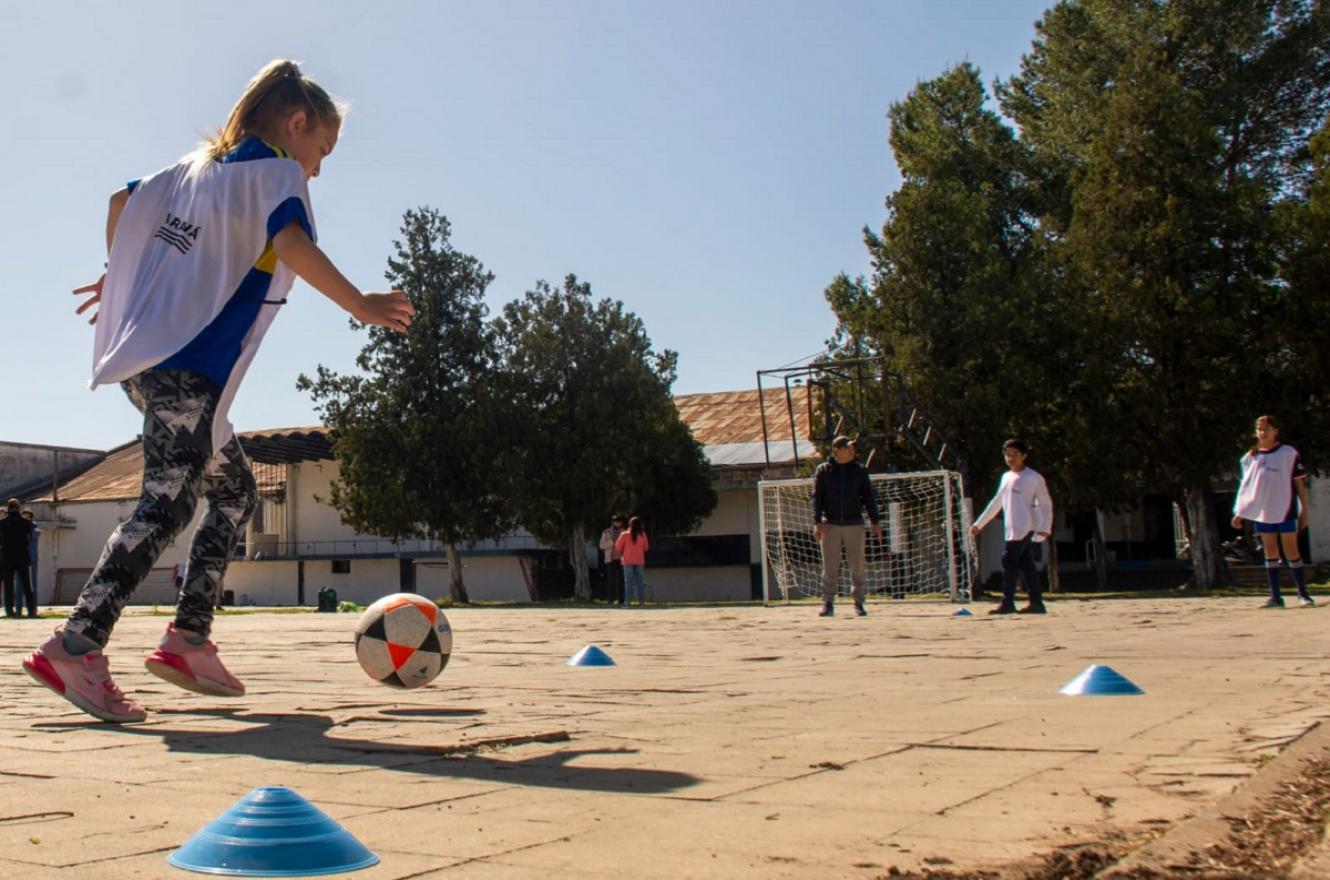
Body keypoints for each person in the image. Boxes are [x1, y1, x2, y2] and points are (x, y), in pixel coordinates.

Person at [22, 59, 415, 724]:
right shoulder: (276, 173)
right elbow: (290, 241)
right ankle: (74, 645)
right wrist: (360, 303)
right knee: (167, 503)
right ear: (297, 124)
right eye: (323, 150)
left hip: (154, 367)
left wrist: (123, 273)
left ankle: (188, 639)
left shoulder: (192, 169)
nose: (317, 169)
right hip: (190, 366)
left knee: (233, 493)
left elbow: (121, 202)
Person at [1231, 415, 1314, 609]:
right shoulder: (1251, 457)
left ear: (1276, 431)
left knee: (1291, 551)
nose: (1263, 433)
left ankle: (1303, 594)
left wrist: (1305, 511)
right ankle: (1275, 597)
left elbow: (1299, 484)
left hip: (1285, 509)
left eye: (1266, 429)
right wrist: (1240, 512)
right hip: (1264, 512)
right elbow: (1247, 487)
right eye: (1259, 429)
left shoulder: (1288, 453)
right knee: (1271, 552)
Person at [970, 438, 1054, 615]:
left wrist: (1045, 526)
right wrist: (980, 524)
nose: (1011, 457)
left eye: (1015, 454)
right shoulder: (1006, 477)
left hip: (1026, 527)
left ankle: (1007, 602)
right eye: (1008, 454)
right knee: (1027, 566)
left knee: (1008, 562)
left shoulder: (1033, 477)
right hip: (1011, 528)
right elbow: (997, 502)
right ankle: (1036, 603)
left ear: (1024, 456)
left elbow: (1046, 503)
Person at [811, 436, 883, 617]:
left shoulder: (859, 471)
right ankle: (828, 603)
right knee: (830, 566)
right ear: (838, 450)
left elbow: (868, 497)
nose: (853, 451)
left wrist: (875, 522)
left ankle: (858, 602)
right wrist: (817, 522)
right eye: (849, 448)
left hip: (854, 524)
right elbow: (817, 498)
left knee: (857, 565)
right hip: (830, 524)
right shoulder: (824, 470)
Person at [0, 499, 35, 619]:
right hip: (22, 557)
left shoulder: (2, 523)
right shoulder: (25, 522)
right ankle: (31, 610)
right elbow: (31, 536)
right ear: (18, 508)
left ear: (8, 508)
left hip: (6, 558)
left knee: (8, 586)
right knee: (26, 585)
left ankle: (10, 611)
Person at [615, 516, 650, 607]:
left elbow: (618, 547)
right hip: (639, 561)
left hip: (627, 561)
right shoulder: (643, 535)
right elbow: (646, 548)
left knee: (629, 583)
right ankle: (641, 603)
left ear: (630, 524)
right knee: (640, 582)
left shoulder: (624, 534)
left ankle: (627, 603)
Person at [598, 515, 625, 605]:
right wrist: (612, 542)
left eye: (620, 522)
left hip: (622, 560)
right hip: (610, 559)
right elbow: (601, 545)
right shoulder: (606, 532)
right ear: (612, 522)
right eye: (616, 521)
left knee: (621, 580)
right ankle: (610, 599)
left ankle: (622, 600)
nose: (618, 523)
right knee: (611, 580)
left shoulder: (625, 532)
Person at [21, 509, 40, 617]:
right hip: (23, 557)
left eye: (28, 517)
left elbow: (35, 535)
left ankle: (34, 609)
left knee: (33, 584)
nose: (26, 519)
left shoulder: (34, 528)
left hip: (32, 557)